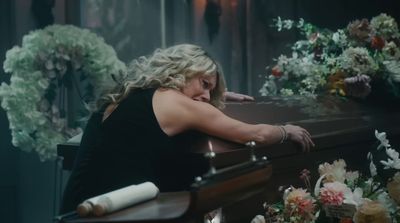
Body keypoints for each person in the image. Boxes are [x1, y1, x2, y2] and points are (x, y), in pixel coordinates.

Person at [60, 44, 314, 213]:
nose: (205, 96)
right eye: (204, 84)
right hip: (112, 212)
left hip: (76, 206)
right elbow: (255, 134)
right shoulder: (176, 102)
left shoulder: (133, 96)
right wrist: (286, 130)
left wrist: (216, 96)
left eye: (210, 91)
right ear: (183, 71)